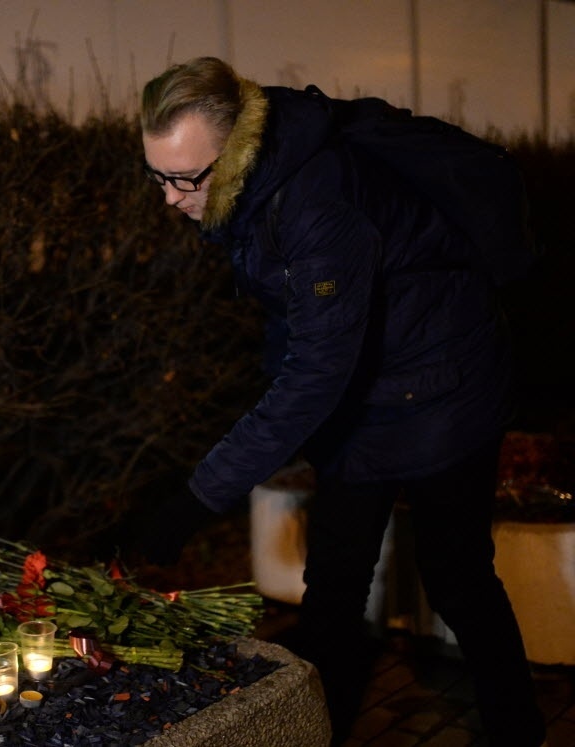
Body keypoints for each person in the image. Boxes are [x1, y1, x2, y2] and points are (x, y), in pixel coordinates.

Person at [131, 57, 546, 746]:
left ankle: (519, 729)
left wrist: (195, 500)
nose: (169, 198)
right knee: (333, 587)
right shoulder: (253, 180)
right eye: (156, 175)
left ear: (234, 150)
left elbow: (315, 374)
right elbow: (302, 327)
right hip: (369, 389)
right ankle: (317, 732)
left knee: (458, 576)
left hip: (444, 384)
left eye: (182, 179)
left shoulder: (316, 200)